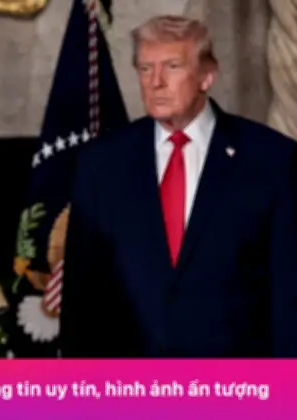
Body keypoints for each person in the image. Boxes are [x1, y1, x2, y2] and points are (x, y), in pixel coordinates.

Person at [61, 15, 297, 357]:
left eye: (172, 66)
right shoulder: (101, 164)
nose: (156, 82)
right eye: (145, 68)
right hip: (129, 384)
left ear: (206, 76)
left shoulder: (271, 159)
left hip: (234, 383)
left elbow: (289, 295)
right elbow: (82, 302)